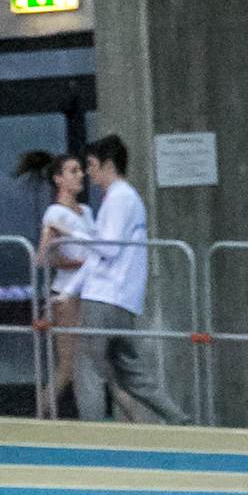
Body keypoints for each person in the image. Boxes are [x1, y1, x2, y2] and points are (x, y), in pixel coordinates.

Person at [73, 135, 190, 425]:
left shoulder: (119, 199)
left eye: (91, 165)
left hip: (104, 296)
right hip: (123, 299)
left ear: (109, 165)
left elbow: (108, 248)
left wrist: (76, 232)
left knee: (88, 369)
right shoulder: (129, 199)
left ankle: (91, 436)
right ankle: (179, 419)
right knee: (131, 373)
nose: (88, 172)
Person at [16, 150, 94, 418]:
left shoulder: (87, 211)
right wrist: (75, 263)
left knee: (92, 363)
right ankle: (39, 415)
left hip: (91, 290)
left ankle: (90, 418)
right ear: (59, 179)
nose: (80, 175)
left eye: (80, 170)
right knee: (68, 365)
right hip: (67, 293)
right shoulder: (55, 213)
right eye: (73, 171)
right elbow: (43, 256)